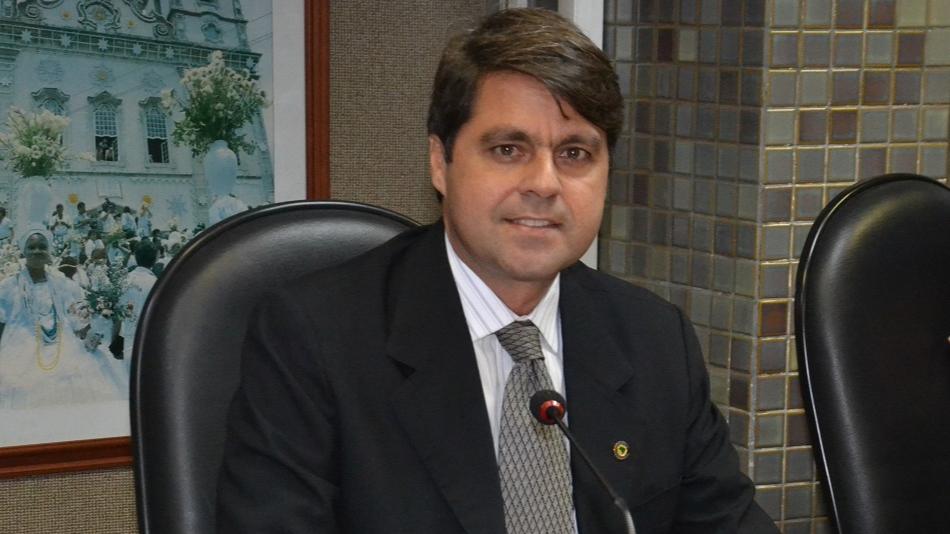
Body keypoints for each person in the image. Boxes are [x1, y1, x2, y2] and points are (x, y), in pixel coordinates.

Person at [217, 9, 776, 534]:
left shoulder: (655, 340)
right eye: (509, 149)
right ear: (440, 162)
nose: (544, 184)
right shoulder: (314, 340)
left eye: (575, 154)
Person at [0, 229, 123, 408]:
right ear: (23, 251)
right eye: (31, 247)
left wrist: (95, 329)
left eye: (42, 247)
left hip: (64, 347)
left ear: (48, 250)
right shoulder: (8, 287)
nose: (37, 251)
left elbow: (78, 321)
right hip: (19, 349)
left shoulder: (63, 284)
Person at [117, 240, 157, 367]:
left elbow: (117, 313)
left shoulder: (124, 279)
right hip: (146, 339)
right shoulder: (155, 283)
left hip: (126, 336)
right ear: (155, 259)